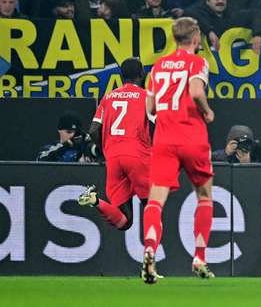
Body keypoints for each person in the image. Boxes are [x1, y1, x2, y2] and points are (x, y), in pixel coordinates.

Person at [141, 17, 216, 284]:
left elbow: (150, 108)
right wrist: (207, 111)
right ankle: (199, 257)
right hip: (192, 137)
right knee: (205, 197)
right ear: (196, 37)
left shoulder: (158, 67)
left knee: (155, 201)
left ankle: (150, 248)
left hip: (163, 139)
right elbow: (196, 91)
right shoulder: (198, 62)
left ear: (174, 38)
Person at [77, 58, 151, 231]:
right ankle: (150, 253)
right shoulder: (147, 97)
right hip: (137, 156)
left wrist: (106, 151)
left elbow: (94, 130)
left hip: (114, 159)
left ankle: (94, 200)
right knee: (153, 208)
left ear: (121, 75)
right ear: (142, 74)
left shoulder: (108, 97)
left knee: (124, 221)